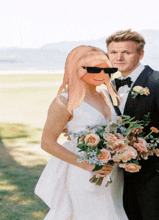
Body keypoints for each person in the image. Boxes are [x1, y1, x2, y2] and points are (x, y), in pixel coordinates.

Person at [105, 29, 159, 220]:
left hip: (153, 176)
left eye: (126, 52)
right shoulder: (110, 85)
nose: (119, 57)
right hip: (119, 176)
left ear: (140, 54)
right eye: (113, 52)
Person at [35, 45, 128, 220]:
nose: (102, 73)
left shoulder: (108, 96)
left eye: (106, 68)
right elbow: (47, 143)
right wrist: (88, 165)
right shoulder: (64, 101)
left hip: (113, 176)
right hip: (84, 173)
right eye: (94, 68)